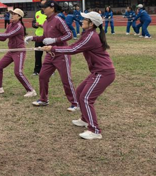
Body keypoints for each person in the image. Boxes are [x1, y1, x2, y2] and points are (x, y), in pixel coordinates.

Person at [41, 11, 116, 140]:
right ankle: (85, 119)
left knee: (86, 98)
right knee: (80, 92)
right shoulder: (87, 34)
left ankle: (95, 130)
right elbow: (73, 46)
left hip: (104, 72)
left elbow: (72, 49)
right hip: (97, 72)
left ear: (91, 24)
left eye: (85, 19)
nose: (82, 21)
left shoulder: (90, 36)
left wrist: (52, 48)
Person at [28, 0, 78, 110]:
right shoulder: (46, 22)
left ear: (52, 8)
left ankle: (75, 103)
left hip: (61, 54)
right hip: (50, 55)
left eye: (45, 7)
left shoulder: (58, 20)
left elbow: (69, 35)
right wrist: (33, 38)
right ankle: (43, 99)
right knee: (42, 76)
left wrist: (55, 40)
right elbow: (44, 38)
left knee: (66, 80)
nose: (42, 9)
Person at [0, 8, 36, 98]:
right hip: (11, 51)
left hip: (19, 51)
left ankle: (31, 90)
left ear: (19, 17)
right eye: (12, 13)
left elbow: (8, 35)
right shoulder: (10, 25)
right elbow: (4, 38)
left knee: (18, 72)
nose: (12, 15)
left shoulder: (19, 26)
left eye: (14, 14)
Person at [32, 0, 48, 76]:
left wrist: (43, 26)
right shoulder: (37, 13)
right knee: (37, 55)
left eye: (45, 3)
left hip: (48, 37)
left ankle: (50, 70)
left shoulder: (49, 14)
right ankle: (37, 70)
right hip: (38, 37)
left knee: (49, 54)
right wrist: (35, 24)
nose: (43, 5)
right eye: (42, 4)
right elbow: (33, 23)